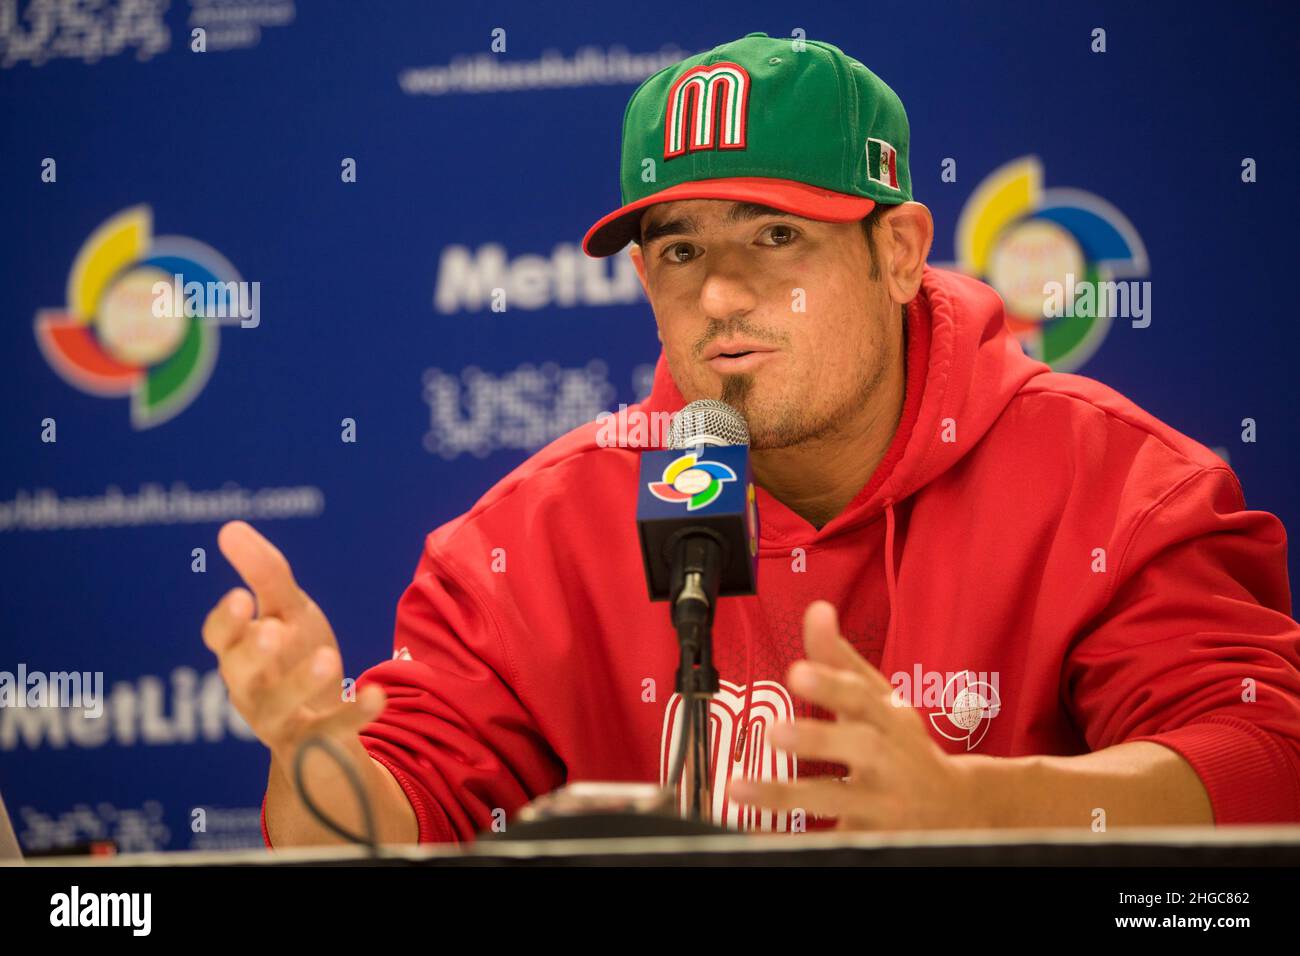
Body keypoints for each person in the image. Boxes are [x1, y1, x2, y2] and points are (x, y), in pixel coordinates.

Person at [202, 32, 1300, 846]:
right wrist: (313, 748)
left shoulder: (1113, 486)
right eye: (678, 251)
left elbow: (1267, 762)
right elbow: (374, 828)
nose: (722, 291)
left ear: (900, 250)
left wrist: (981, 809)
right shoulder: (530, 539)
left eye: (777, 236)